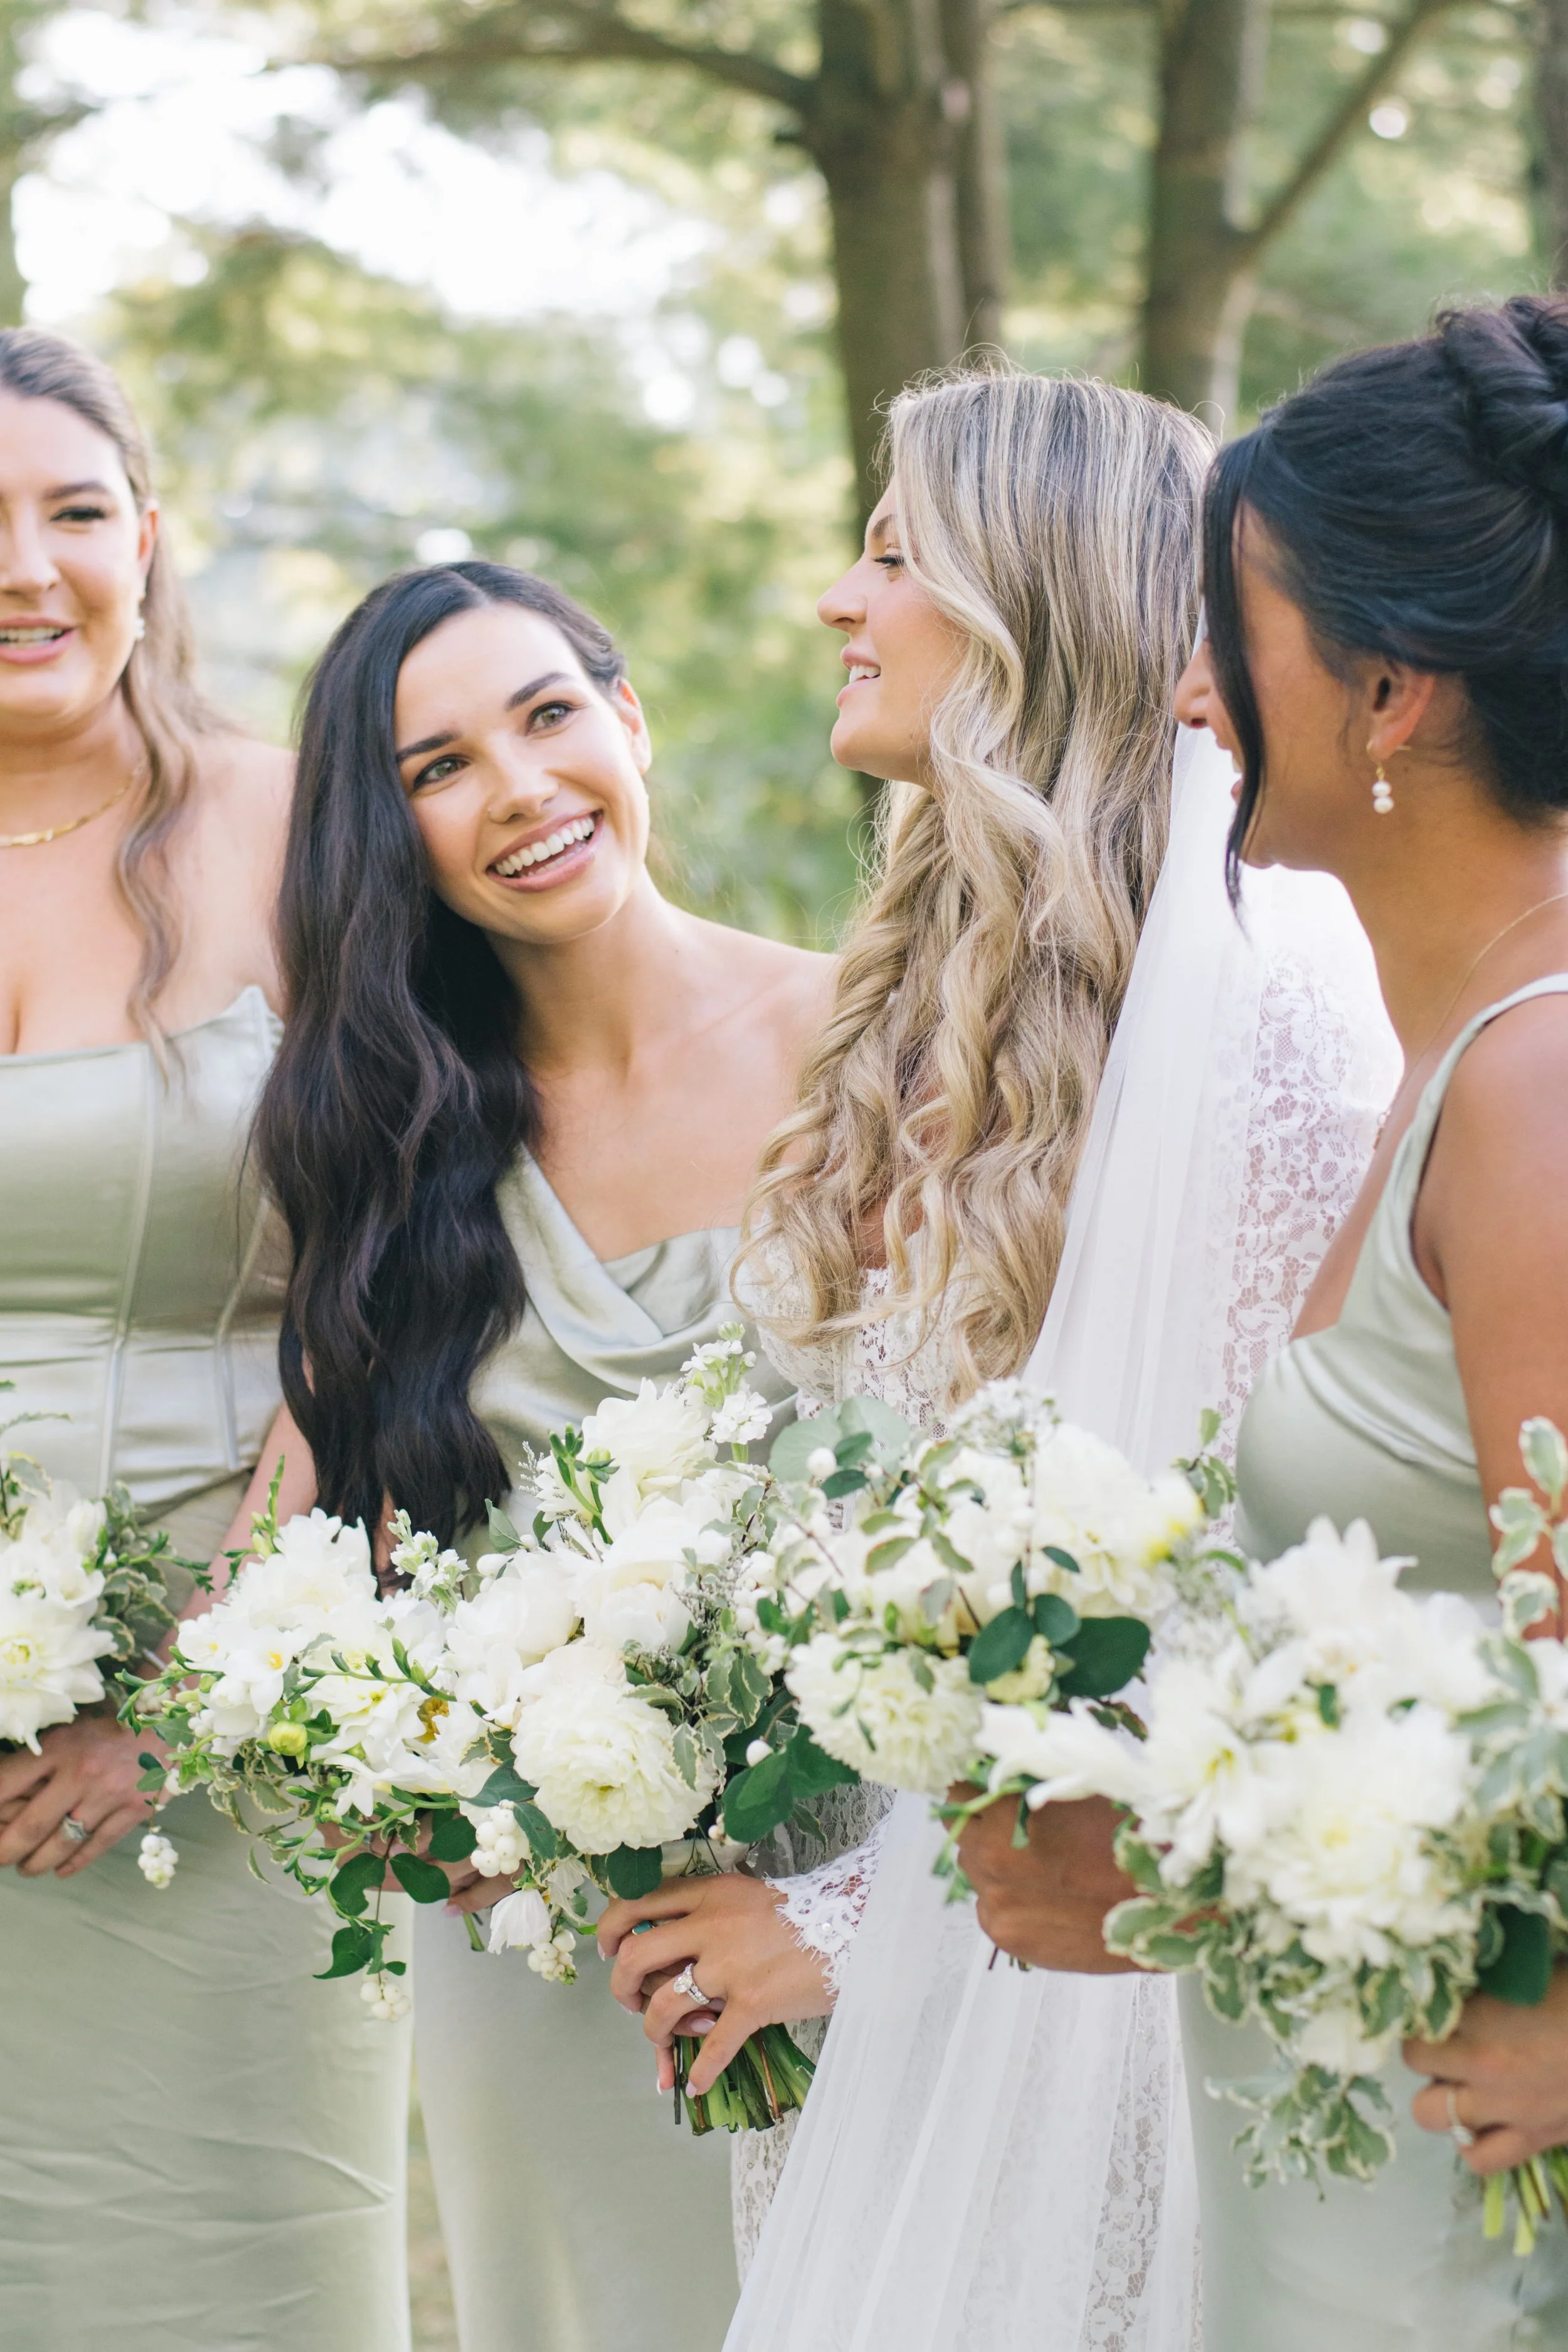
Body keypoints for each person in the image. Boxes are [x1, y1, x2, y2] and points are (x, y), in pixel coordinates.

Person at [596, 364, 1397, 2346]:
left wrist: (851, 1935)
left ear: (1035, 604)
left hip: (1084, 2015)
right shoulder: (907, 1015)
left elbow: (1243, 1613)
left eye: (891, 553)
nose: (833, 601)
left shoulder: (1261, 1013)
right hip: (863, 2007)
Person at [972, 295, 1568, 2346]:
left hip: (1464, 2187)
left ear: (1392, 688)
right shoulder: (1442, 1065)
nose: (1185, 686)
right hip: (1329, 2122)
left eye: (1234, 625)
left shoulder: (1536, 1084)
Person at [248, 559, 832, 2352]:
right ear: (390, 835)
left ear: (629, 717)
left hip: (840, 1887)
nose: (516, 788)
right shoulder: (394, 1142)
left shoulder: (869, 1039)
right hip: (553, 1941)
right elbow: (287, 1581)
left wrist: (856, 1904)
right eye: (436, 768)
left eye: (548, 714)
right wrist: (400, 1784)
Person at [0, 328, 411, 2350]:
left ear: (149, 541)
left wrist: (196, 1696)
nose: (27, 567)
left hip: (239, 1726)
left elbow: (392, 1274)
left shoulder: (293, 826)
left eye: (73, 511)